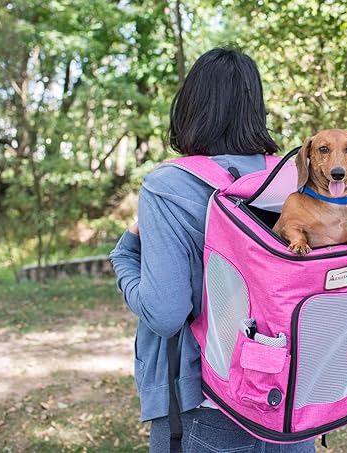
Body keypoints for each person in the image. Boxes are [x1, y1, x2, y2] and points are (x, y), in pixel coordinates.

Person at [110, 48, 316, 453]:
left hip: (208, 404)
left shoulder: (170, 185)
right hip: (289, 403)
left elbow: (165, 314)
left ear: (190, 107)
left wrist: (124, 258)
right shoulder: (292, 179)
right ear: (256, 108)